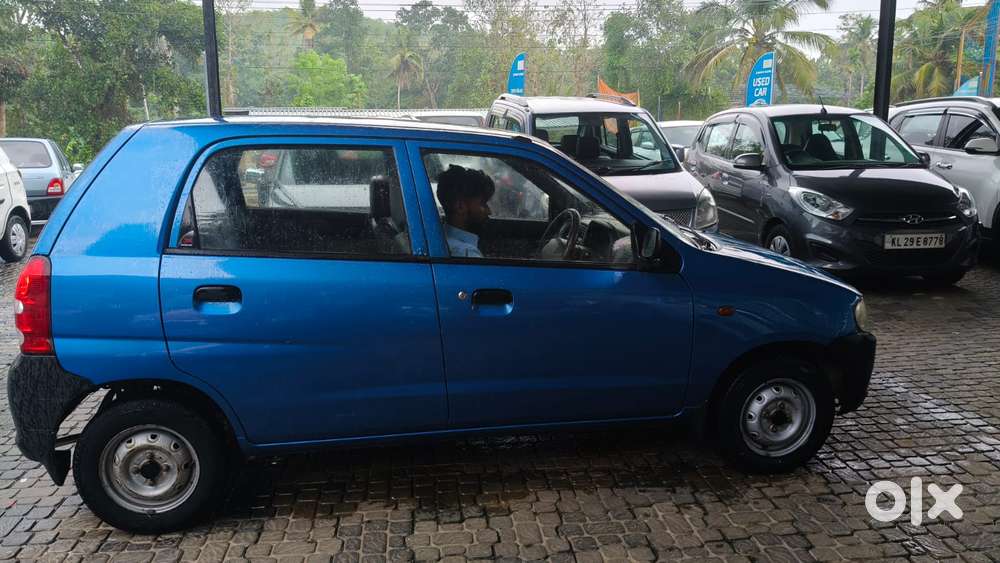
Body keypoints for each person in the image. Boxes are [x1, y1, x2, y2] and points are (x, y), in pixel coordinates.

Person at [436, 165, 494, 258]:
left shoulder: (441, 238)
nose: (489, 211)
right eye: (483, 203)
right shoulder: (466, 253)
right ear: (460, 206)